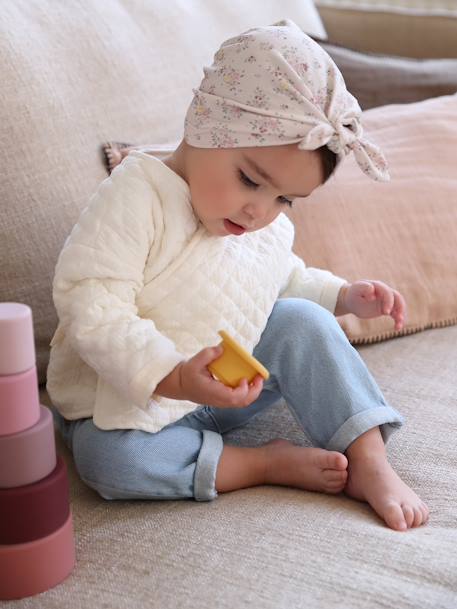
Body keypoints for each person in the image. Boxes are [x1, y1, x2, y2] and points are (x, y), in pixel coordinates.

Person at [47, 20, 429, 532]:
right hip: (132, 403)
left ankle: (368, 458)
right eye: (251, 180)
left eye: (285, 199)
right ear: (202, 124)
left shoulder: (256, 218)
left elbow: (276, 280)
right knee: (106, 459)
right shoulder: (136, 197)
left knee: (303, 321)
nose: (259, 212)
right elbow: (91, 302)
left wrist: (342, 295)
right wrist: (174, 376)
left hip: (230, 391)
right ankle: (259, 464)